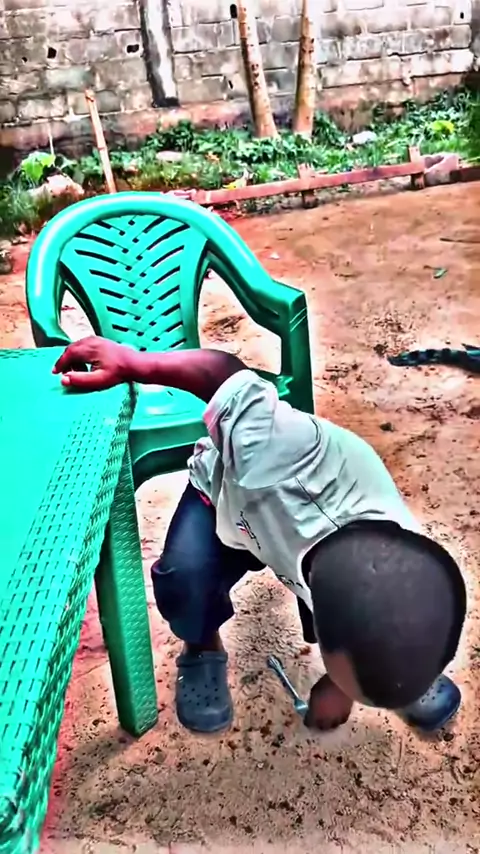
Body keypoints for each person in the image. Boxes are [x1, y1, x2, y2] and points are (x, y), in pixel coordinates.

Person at [54, 337, 467, 735]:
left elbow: (386, 608)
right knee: (183, 577)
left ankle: (390, 664)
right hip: (228, 503)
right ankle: (202, 645)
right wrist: (132, 363)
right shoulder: (276, 450)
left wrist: (345, 684)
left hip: (308, 554)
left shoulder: (397, 560)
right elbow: (222, 372)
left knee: (378, 625)